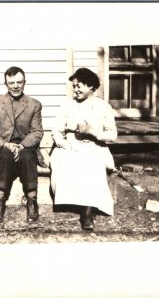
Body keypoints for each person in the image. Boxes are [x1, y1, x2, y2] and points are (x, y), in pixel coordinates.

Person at [50, 67, 117, 231]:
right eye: (74, 86)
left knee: (92, 163)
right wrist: (65, 144)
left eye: (79, 86)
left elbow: (112, 134)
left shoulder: (103, 107)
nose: (75, 89)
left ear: (91, 86)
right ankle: (74, 201)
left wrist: (92, 131)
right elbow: (56, 131)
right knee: (64, 160)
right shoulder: (67, 105)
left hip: (95, 146)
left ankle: (87, 210)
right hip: (71, 145)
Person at [0, 66, 45, 223]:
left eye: (19, 82)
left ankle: (32, 201)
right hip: (2, 147)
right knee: (5, 156)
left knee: (28, 157)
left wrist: (22, 146)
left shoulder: (34, 104)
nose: (16, 86)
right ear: (6, 83)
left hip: (25, 146)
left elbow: (37, 132)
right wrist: (5, 145)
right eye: (11, 83)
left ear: (25, 83)